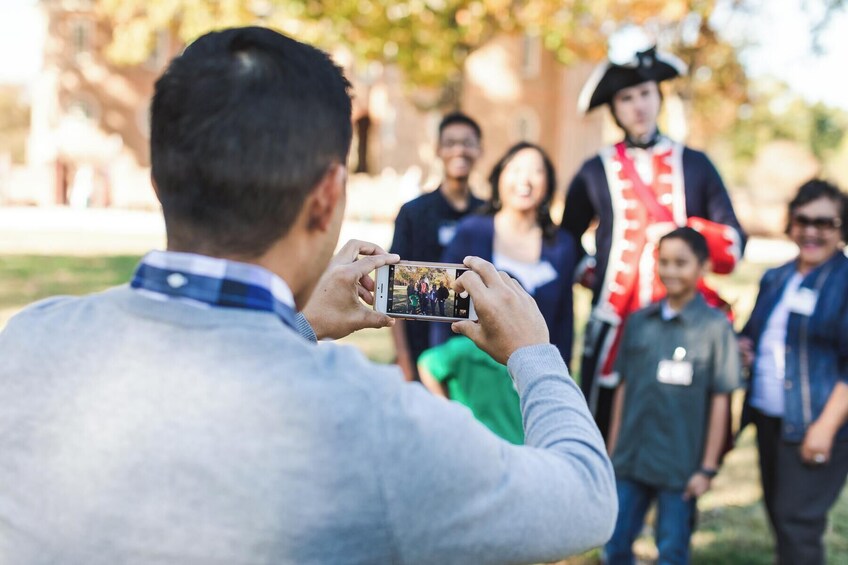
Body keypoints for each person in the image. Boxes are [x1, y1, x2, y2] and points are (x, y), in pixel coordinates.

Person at [0, 27, 617, 564]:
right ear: (327, 197)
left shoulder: (30, 341)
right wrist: (535, 351)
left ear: (158, 180)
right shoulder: (376, 425)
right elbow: (586, 501)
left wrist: (295, 326)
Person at [562, 35, 746, 438]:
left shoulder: (696, 165)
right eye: (626, 98)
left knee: (674, 428)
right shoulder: (595, 169)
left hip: (681, 324)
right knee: (601, 424)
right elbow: (565, 239)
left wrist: (686, 234)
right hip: (615, 324)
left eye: (645, 93)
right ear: (614, 108)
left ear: (659, 97)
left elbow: (734, 244)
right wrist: (595, 274)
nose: (639, 106)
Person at [605, 227, 741, 565]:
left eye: (681, 263)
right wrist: (611, 450)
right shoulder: (638, 322)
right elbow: (623, 388)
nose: (671, 271)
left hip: (680, 466)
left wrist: (707, 468)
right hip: (630, 459)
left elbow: (722, 400)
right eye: (664, 262)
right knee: (614, 543)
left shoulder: (715, 329)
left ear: (702, 266)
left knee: (672, 550)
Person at [739, 180, 848, 565]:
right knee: (780, 518)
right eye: (803, 219)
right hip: (769, 418)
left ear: (842, 228)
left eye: (825, 222)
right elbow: (752, 334)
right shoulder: (777, 277)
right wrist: (742, 348)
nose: (812, 230)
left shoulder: (844, 281)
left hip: (817, 422)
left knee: (797, 521)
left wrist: (825, 428)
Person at [436, 142, 576, 365]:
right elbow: (443, 306)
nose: (525, 179)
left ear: (548, 183)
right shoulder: (470, 231)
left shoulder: (562, 245)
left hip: (534, 374)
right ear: (499, 177)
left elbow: (564, 324)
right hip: (473, 378)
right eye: (516, 170)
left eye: (536, 171)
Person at [390, 112, 485, 380]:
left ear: (480, 150)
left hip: (472, 361)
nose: (459, 150)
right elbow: (395, 289)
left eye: (467, 143)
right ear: (438, 150)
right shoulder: (413, 213)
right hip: (419, 354)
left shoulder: (487, 217)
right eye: (451, 142)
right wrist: (405, 360)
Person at [418, 335, 524, 445]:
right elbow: (426, 363)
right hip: (477, 446)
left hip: (520, 448)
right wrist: (447, 410)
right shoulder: (466, 350)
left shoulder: (529, 353)